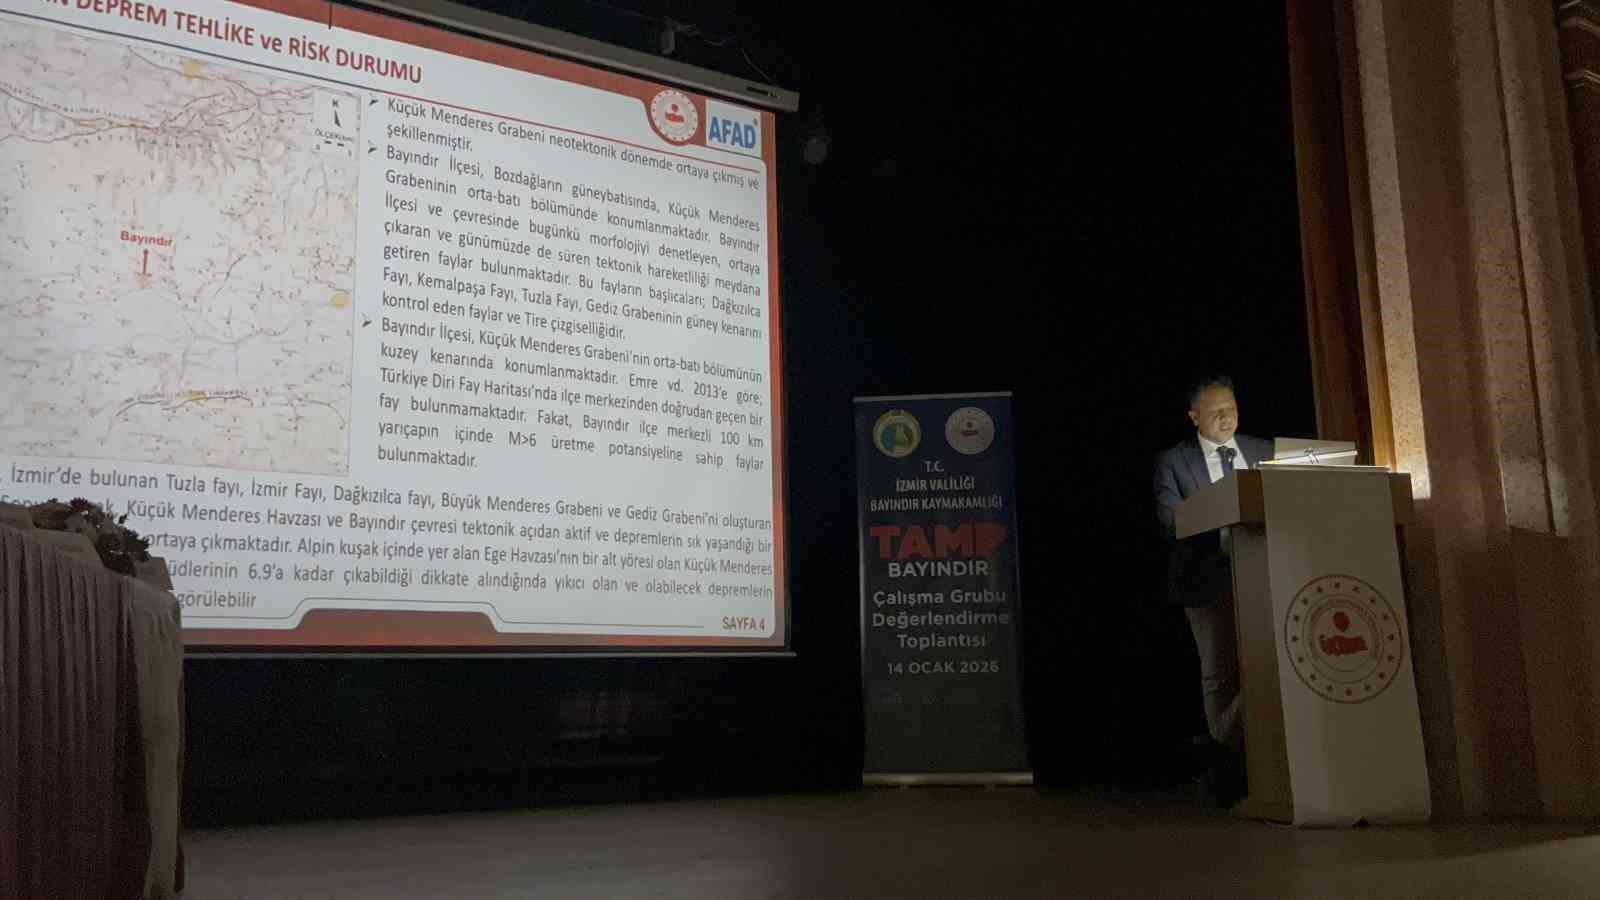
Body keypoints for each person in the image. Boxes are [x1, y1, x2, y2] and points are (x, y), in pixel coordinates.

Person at [1153, 375, 1272, 806]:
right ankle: (1231, 767)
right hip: (1206, 578)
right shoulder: (1173, 461)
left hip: (1269, 573)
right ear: (1194, 417)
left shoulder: (1265, 451)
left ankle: (1219, 746)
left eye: (1232, 408)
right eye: (1216, 411)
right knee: (1219, 673)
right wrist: (1222, 521)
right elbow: (1170, 520)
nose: (1227, 417)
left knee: (1273, 663)